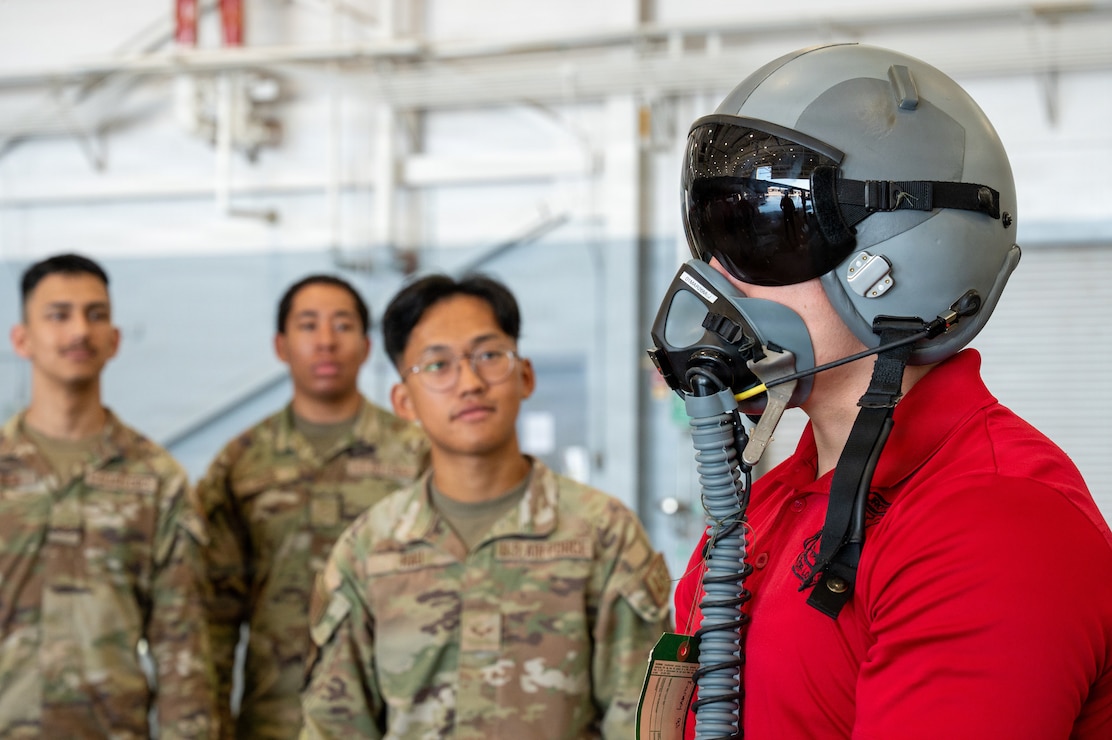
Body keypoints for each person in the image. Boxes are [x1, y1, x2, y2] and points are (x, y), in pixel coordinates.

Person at [667, 43, 1112, 738]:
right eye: (712, 233)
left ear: (897, 263)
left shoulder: (993, 520)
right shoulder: (770, 508)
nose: (722, 278)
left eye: (762, 234)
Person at [300, 273, 672, 738]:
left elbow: (639, 724)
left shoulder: (603, 534)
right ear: (403, 401)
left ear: (526, 376)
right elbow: (335, 726)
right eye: (438, 366)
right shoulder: (368, 550)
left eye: (489, 355)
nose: (470, 383)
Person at [191, 274, 429, 739]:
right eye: (308, 326)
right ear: (281, 346)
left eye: (342, 326)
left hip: (394, 718)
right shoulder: (242, 461)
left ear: (365, 346)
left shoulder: (415, 455)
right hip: (275, 720)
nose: (325, 342)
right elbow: (213, 617)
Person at [0, 253, 218, 738]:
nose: (80, 330)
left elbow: (180, 646)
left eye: (95, 315)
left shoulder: (156, 480)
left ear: (114, 340)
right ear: (22, 339)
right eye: (59, 315)